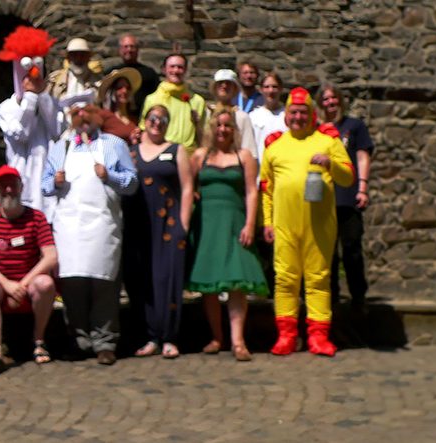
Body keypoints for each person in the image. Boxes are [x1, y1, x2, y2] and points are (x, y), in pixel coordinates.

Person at [260, 87, 355, 357]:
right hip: (284, 226)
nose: (298, 117)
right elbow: (266, 188)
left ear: (312, 114)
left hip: (319, 226)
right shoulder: (274, 145)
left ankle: (318, 337)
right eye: (293, 112)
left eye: (303, 112)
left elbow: (348, 177)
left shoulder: (327, 141)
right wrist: (267, 222)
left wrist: (330, 164)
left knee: (318, 279)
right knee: (285, 280)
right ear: (286, 115)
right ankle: (286, 336)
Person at [41, 105, 136, 365]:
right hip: (70, 227)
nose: (83, 118)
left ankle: (105, 342)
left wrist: (110, 176)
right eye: (77, 114)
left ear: (98, 117)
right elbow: (44, 185)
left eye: (88, 113)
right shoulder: (60, 147)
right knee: (73, 285)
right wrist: (55, 182)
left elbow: (132, 182)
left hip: (103, 225)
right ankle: (78, 341)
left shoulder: (114, 145)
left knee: (104, 283)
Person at [188, 110, 268, 361]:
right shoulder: (200, 156)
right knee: (210, 283)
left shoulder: (244, 156)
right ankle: (216, 337)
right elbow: (188, 188)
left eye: (228, 125)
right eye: (219, 125)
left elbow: (252, 192)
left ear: (235, 129)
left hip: (235, 222)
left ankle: (238, 341)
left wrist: (250, 224)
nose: (223, 129)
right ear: (212, 128)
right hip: (207, 223)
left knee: (237, 281)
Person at [0, 166, 58, 377]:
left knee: (46, 283)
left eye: (13, 185)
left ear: (21, 187)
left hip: (27, 283)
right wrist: (6, 283)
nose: (9, 190)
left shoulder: (36, 217)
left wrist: (23, 284)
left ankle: (39, 341)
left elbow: (51, 256)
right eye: (4, 185)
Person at [123, 104, 193, 360]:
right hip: (138, 225)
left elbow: (187, 187)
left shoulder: (176, 150)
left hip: (168, 225)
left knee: (167, 277)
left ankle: (169, 337)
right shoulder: (130, 152)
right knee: (140, 279)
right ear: (145, 120)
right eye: (153, 118)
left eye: (162, 119)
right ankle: (149, 336)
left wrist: (184, 224)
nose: (157, 123)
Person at [0, 26, 62, 220]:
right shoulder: (6, 108)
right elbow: (21, 134)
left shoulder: (50, 102)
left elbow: (57, 130)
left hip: (47, 177)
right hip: (22, 178)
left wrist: (42, 96)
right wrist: (31, 97)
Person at [318, 85, 374, 308]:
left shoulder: (354, 126)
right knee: (328, 253)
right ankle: (331, 298)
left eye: (333, 98)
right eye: (325, 99)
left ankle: (358, 297)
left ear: (340, 100)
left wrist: (362, 187)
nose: (330, 102)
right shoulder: (316, 129)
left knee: (352, 249)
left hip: (348, 196)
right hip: (323, 198)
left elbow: (362, 157)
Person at [139, 53, 207, 150]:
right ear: (164, 69)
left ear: (186, 70)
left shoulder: (197, 101)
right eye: (172, 66)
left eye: (180, 67)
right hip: (160, 152)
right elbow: (144, 130)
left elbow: (204, 135)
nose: (176, 70)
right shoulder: (152, 99)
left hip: (188, 154)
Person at [107, 34, 160, 119]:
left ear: (137, 50)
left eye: (132, 47)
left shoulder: (149, 73)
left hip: (142, 117)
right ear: (120, 50)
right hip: (116, 117)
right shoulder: (112, 73)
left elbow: (157, 97)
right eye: (125, 47)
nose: (129, 50)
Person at [206, 69, 257, 152]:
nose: (224, 86)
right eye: (220, 83)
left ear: (235, 89)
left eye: (228, 83)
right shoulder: (207, 113)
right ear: (214, 87)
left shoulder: (242, 117)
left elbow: (249, 150)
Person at [46, 38, 103, 104]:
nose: (78, 59)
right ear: (68, 58)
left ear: (88, 58)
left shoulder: (99, 83)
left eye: (82, 55)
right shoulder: (54, 80)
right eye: (74, 55)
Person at [249, 72, 287, 166]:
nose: (271, 90)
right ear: (261, 90)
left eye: (274, 87)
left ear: (281, 89)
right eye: (267, 87)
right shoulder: (253, 117)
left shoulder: (288, 116)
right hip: (260, 169)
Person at [95, 67, 142, 144]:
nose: (124, 91)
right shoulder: (103, 115)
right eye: (119, 87)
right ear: (111, 91)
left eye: (128, 88)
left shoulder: (134, 119)